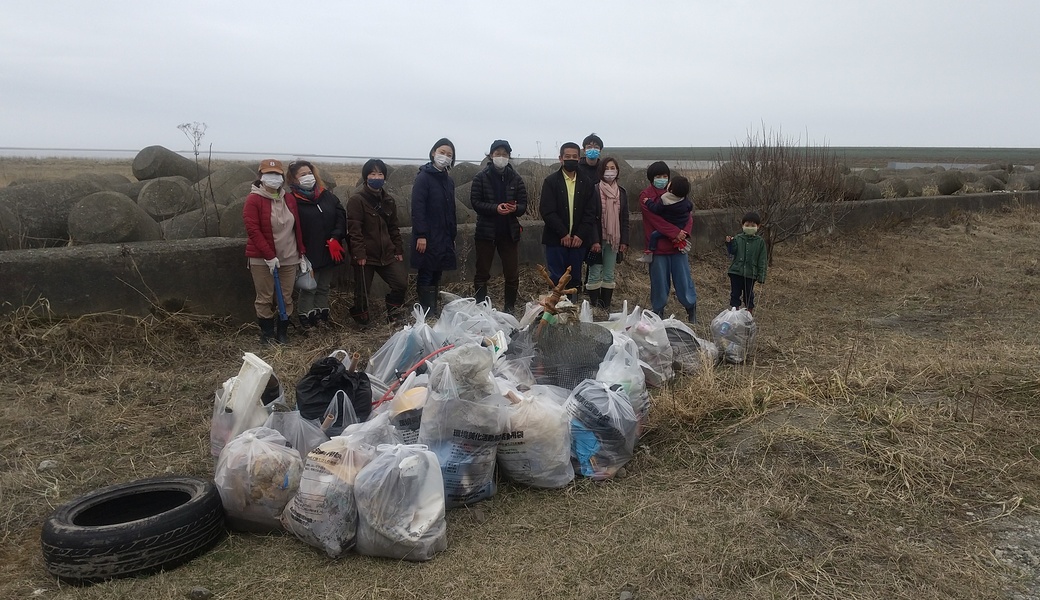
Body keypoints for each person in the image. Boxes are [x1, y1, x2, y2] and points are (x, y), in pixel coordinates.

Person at [243, 158, 306, 344]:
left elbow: (297, 227)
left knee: (285, 297)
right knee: (264, 297)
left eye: (277, 174)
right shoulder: (253, 199)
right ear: (260, 177)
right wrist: (269, 256)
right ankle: (267, 335)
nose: (274, 178)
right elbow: (253, 230)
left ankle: (282, 333)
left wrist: (301, 253)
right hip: (262, 259)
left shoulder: (288, 199)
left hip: (289, 257)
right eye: (269, 174)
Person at [285, 159, 346, 330]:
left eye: (310, 173)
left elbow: (340, 214)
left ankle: (321, 316)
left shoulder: (326, 195)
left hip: (329, 249)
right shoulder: (292, 200)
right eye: (303, 175)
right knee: (309, 287)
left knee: (324, 286)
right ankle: (306, 319)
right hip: (308, 251)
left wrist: (336, 235)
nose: (308, 177)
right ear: (294, 179)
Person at [346, 159, 408, 325]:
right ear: (366, 177)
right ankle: (361, 320)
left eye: (380, 173)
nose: (376, 177)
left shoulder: (388, 201)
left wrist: (398, 249)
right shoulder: (356, 200)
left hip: (386, 253)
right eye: (372, 173)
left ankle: (394, 314)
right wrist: (359, 253)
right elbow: (354, 229)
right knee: (362, 291)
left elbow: (394, 227)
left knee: (400, 283)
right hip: (366, 254)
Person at [469, 139, 527, 313]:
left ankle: (509, 308)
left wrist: (515, 208)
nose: (501, 157)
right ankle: (481, 308)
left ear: (509, 156)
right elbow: (475, 203)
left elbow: (523, 205)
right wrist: (495, 208)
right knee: (482, 272)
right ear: (491, 155)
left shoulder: (516, 178)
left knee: (512, 273)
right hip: (486, 232)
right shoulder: (480, 177)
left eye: (504, 154)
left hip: (509, 233)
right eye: (497, 154)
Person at [540, 142, 597, 299]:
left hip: (578, 242)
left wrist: (580, 235)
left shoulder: (586, 182)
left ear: (579, 158)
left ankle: (572, 311)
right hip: (556, 239)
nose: (571, 159)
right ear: (560, 158)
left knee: (574, 279)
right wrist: (563, 233)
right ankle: (555, 312)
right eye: (567, 157)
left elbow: (590, 212)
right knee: (557, 279)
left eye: (574, 156)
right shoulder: (550, 181)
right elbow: (547, 211)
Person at [640, 166, 697, 323]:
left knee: (684, 281)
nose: (662, 179)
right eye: (658, 176)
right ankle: (658, 313)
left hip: (678, 247)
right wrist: (675, 233)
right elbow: (655, 220)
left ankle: (691, 309)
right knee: (659, 283)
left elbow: (688, 216)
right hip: (659, 248)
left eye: (665, 176)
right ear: (651, 178)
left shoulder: (678, 193)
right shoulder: (646, 196)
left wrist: (684, 233)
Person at [411, 138, 457, 315]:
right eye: (442, 152)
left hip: (444, 235)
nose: (445, 157)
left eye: (449, 155)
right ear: (433, 153)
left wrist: (452, 236)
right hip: (428, 235)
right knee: (426, 272)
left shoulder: (448, 180)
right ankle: (426, 311)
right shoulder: (423, 178)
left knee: (437, 272)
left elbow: (451, 210)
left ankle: (433, 308)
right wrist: (421, 235)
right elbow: (418, 207)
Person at [585, 156, 629, 311]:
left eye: (613, 168)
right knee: (595, 272)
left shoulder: (621, 192)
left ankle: (605, 305)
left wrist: (624, 240)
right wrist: (594, 241)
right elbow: (590, 217)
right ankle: (594, 304)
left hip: (614, 241)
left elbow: (624, 218)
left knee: (609, 273)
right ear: (601, 171)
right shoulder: (595, 189)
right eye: (607, 168)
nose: (610, 171)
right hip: (598, 239)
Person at [642, 175, 693, 261]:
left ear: (672, 188)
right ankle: (680, 242)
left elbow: (656, 209)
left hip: (669, 225)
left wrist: (648, 202)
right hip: (682, 225)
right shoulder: (685, 200)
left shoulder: (665, 199)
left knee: (654, 235)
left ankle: (650, 251)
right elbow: (690, 209)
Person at [725, 212, 768, 313]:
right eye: (747, 225)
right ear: (742, 225)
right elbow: (732, 251)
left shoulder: (760, 242)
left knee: (749, 294)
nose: (750, 227)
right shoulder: (738, 238)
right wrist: (729, 243)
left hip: (750, 273)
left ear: (758, 226)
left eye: (753, 225)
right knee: (735, 294)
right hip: (736, 272)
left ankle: (749, 312)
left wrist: (761, 275)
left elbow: (762, 260)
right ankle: (734, 312)